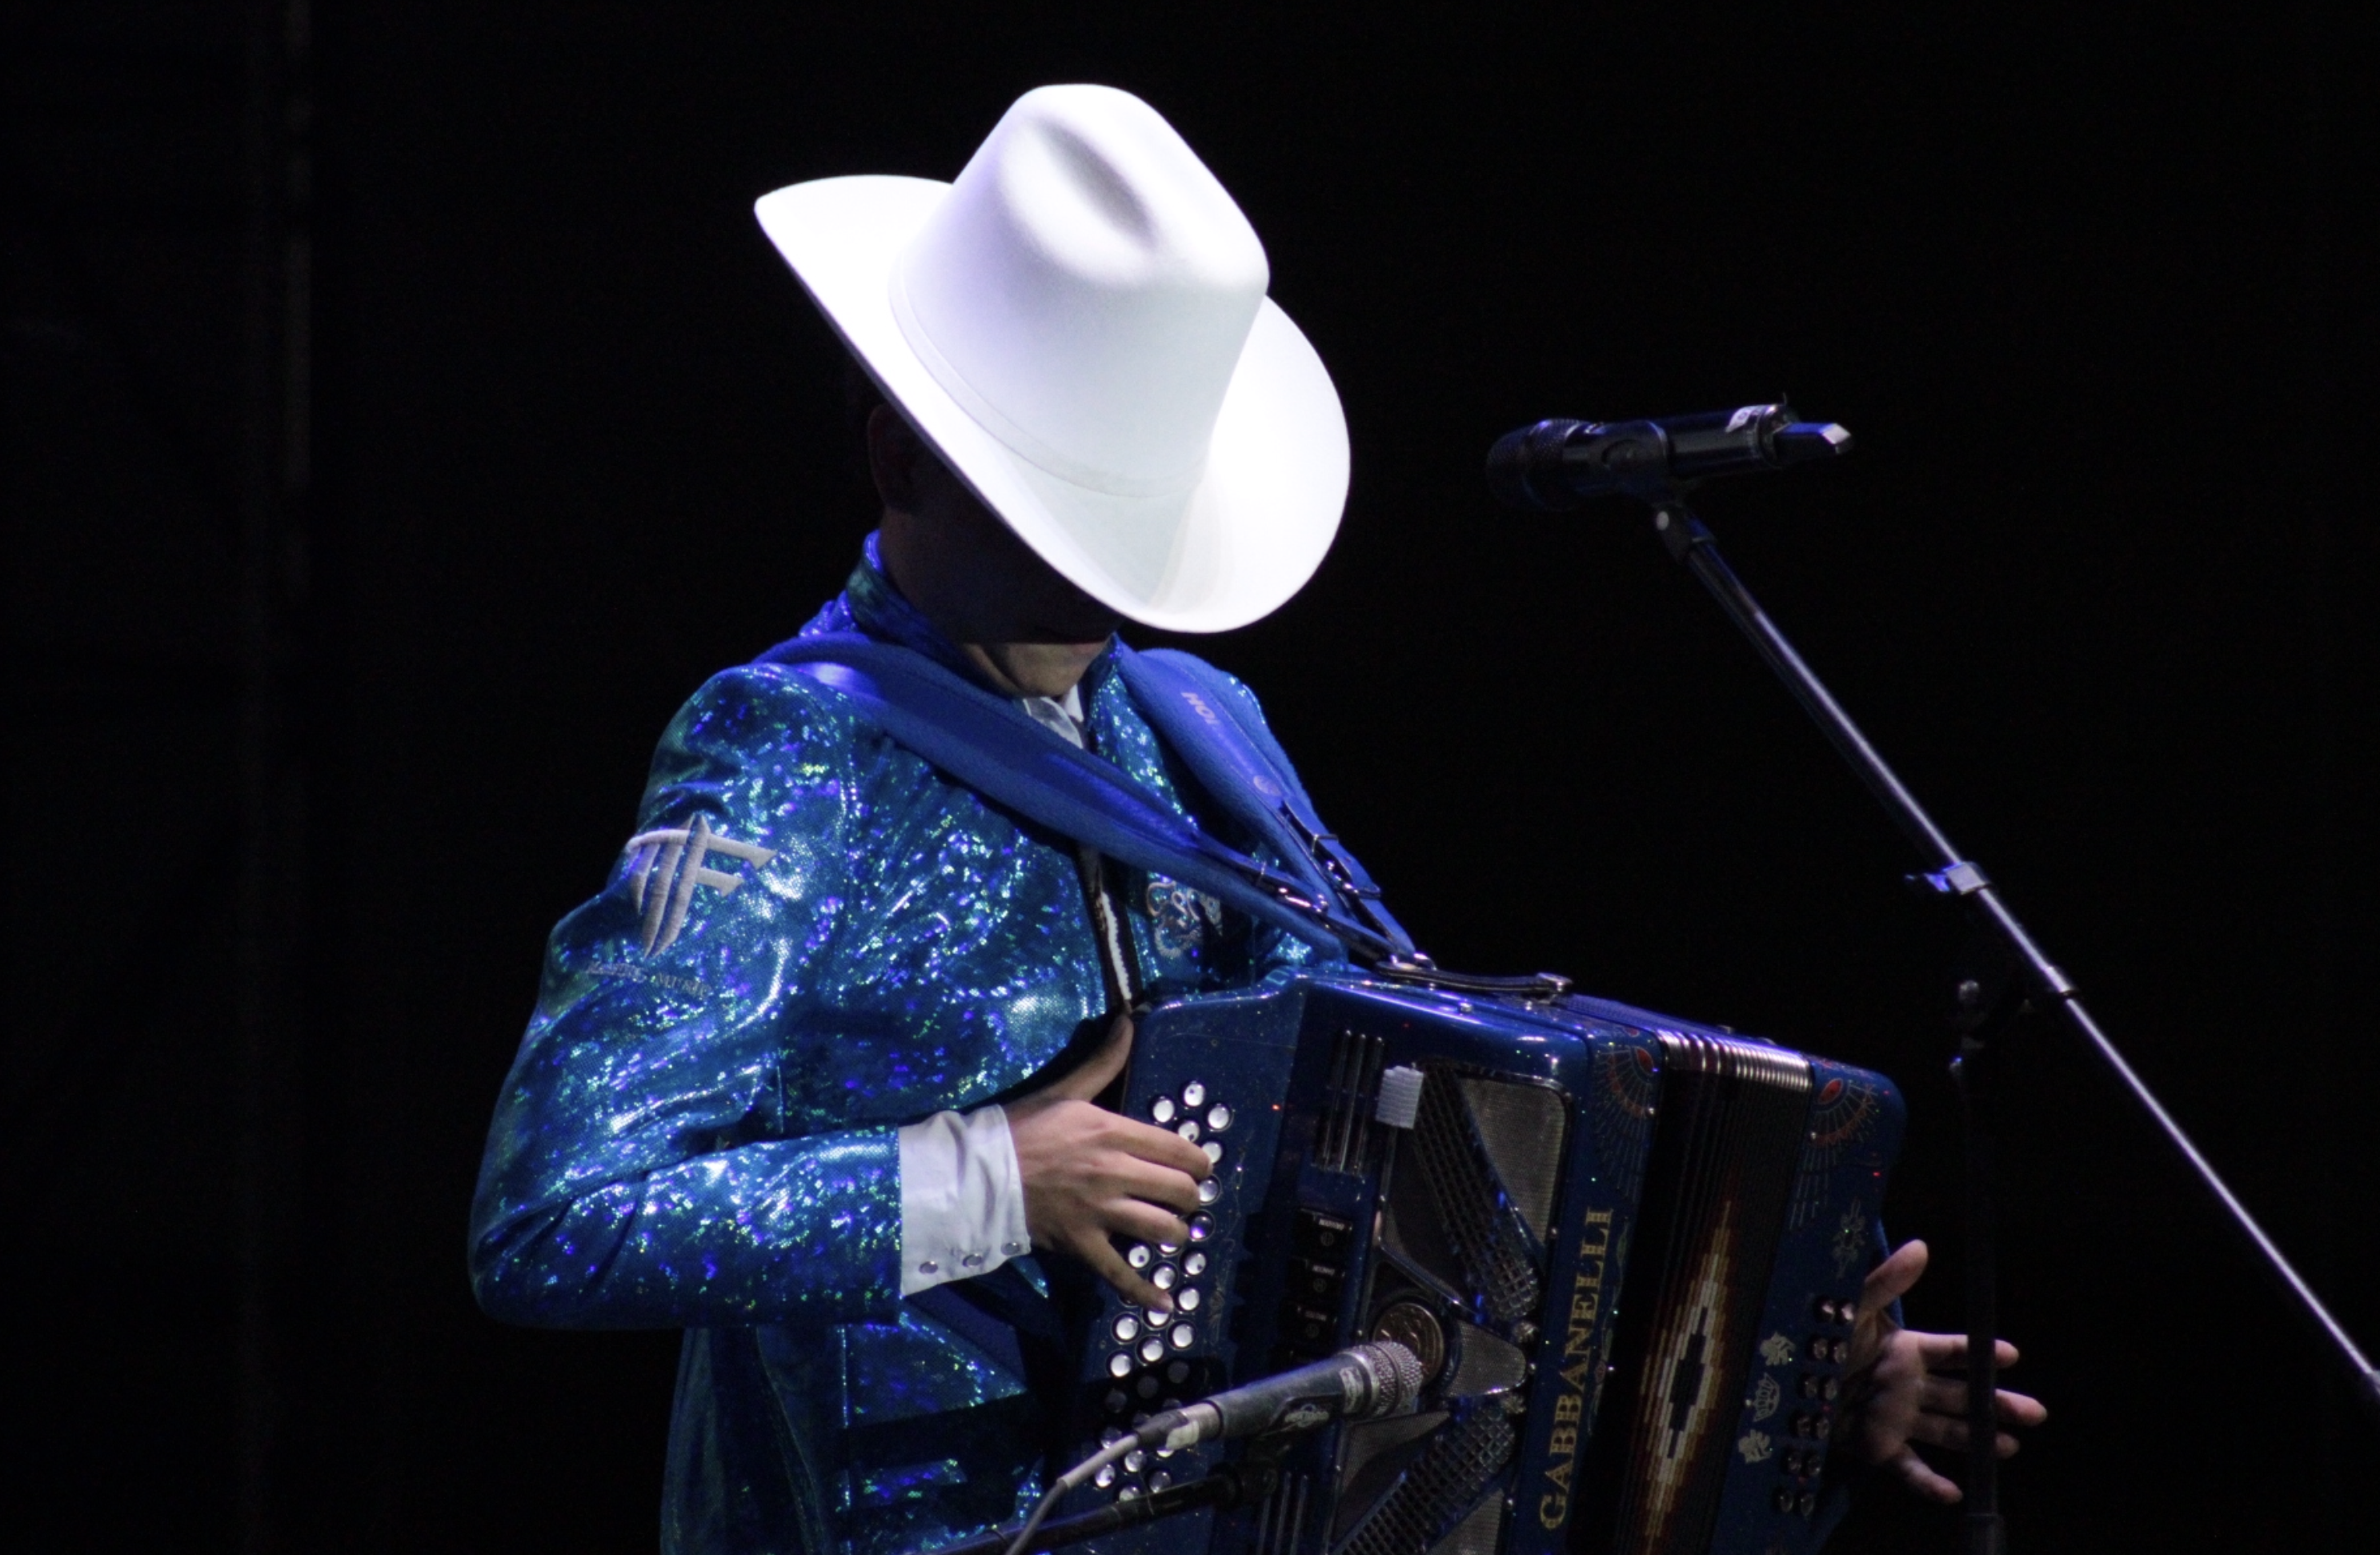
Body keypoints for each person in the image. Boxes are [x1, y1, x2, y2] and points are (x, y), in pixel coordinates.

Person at [468, 84, 2042, 1555]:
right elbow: (558, 1220)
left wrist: (1752, 1375)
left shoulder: (1197, 726)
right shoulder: (782, 751)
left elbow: (1434, 1172)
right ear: (897, 449)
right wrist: (985, 1179)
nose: (1108, 563)